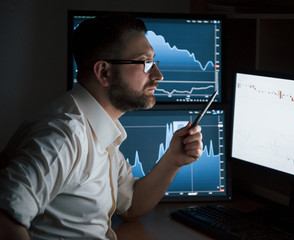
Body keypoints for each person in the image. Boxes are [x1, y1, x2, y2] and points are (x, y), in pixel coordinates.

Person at [0, 13, 203, 240]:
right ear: (103, 72)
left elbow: (132, 205)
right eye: (145, 63)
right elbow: (3, 218)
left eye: (154, 62)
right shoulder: (64, 136)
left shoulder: (98, 127)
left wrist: (173, 159)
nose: (158, 75)